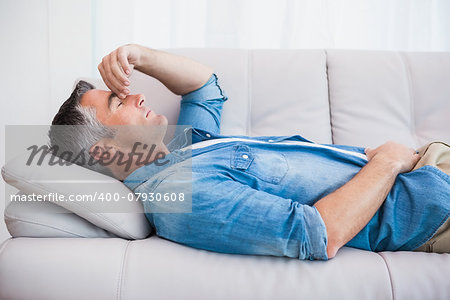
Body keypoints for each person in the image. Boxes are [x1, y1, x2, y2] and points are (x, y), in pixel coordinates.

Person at [49, 44, 450, 260]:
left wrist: (140, 55)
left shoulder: (183, 153)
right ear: (103, 151)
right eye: (119, 104)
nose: (136, 95)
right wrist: (386, 162)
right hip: (433, 208)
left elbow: (204, 85)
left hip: (428, 164)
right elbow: (318, 235)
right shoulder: (180, 196)